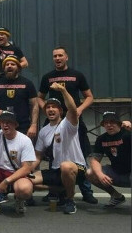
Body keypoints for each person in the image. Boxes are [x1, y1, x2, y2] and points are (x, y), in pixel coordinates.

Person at [37, 46, 97, 204]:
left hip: (72, 120)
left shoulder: (77, 75)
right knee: (53, 153)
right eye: (55, 56)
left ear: (66, 57)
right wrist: (46, 108)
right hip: (54, 120)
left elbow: (89, 97)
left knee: (80, 152)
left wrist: (79, 109)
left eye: (60, 55)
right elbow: (40, 97)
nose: (57, 58)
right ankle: (55, 191)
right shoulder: (48, 77)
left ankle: (86, 190)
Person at [31, 84, 87, 214]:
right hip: (56, 170)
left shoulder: (68, 124)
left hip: (76, 168)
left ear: (60, 111)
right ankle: (61, 189)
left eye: (54, 107)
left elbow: (72, 109)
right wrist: (26, 171)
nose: (50, 109)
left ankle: (70, 200)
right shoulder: (43, 131)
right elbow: (38, 155)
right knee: (28, 180)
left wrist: (63, 90)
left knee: (66, 166)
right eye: (48, 107)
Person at [0, 56, 38, 139]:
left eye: (13, 64)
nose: (9, 66)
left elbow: (34, 105)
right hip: (4, 126)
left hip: (23, 126)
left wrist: (33, 125)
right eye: (7, 64)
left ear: (18, 68)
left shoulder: (27, 83)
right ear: (4, 68)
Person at [87, 112, 130, 208]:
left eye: (112, 122)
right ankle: (116, 196)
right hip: (117, 173)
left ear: (119, 123)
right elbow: (94, 160)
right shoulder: (102, 139)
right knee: (90, 173)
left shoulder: (128, 134)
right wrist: (100, 175)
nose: (109, 125)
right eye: (106, 123)